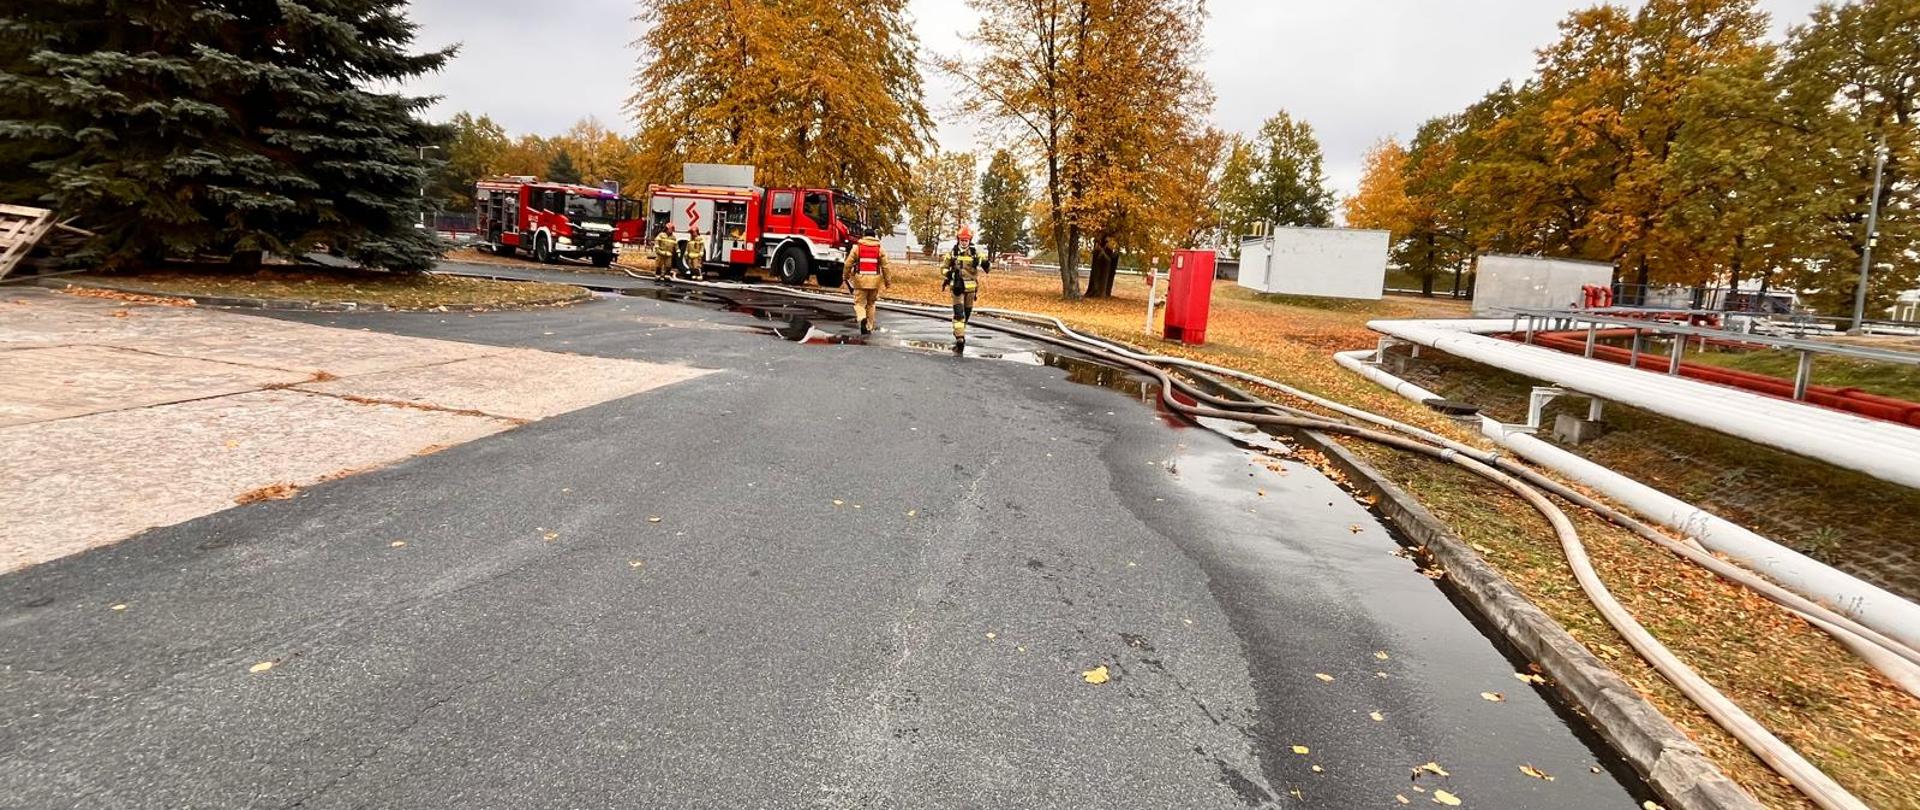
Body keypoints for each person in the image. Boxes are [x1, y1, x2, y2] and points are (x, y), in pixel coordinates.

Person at [941, 226, 990, 349]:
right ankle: (960, 338)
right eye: (962, 240)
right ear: (958, 239)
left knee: (966, 314)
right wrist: (950, 274)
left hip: (971, 289)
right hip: (957, 288)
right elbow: (943, 268)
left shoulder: (975, 253)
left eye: (966, 240)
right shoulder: (952, 253)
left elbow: (987, 268)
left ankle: (959, 331)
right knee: (959, 314)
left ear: (970, 240)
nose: (964, 242)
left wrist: (984, 263)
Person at [841, 225, 890, 335]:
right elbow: (886, 267)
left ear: (864, 236)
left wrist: (845, 276)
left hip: (860, 281)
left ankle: (862, 317)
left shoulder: (857, 248)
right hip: (875, 282)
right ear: (874, 237)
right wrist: (887, 282)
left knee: (859, 304)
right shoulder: (880, 249)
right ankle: (869, 326)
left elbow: (848, 264)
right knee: (871, 304)